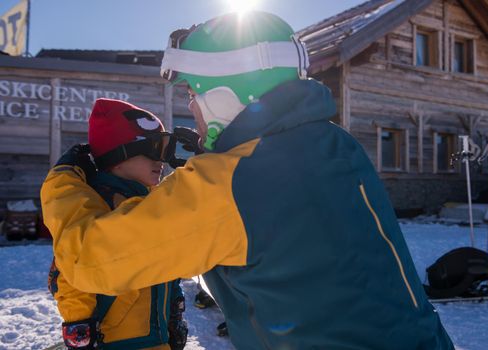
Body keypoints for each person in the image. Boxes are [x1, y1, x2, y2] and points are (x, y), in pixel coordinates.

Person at [41, 11, 454, 350]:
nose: (192, 109)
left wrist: (62, 181)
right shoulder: (334, 144)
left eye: (192, 95)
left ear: (222, 95)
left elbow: (89, 260)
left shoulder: (229, 184)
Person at [47, 98, 188, 350]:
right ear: (118, 155)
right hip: (114, 340)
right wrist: (79, 327)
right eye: (153, 150)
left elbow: (167, 263)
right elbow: (70, 274)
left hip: (157, 337)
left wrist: (175, 311)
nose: (161, 161)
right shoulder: (98, 203)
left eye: (164, 151)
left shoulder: (149, 202)